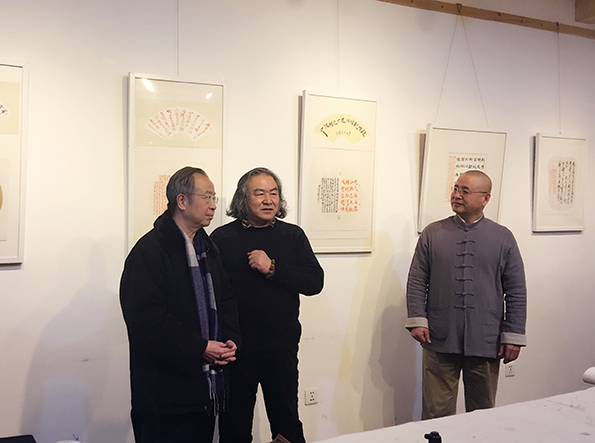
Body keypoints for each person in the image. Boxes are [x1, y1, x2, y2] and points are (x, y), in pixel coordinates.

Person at [120, 167, 241, 443]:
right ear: (182, 201)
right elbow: (147, 322)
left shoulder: (208, 249)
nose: (213, 205)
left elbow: (226, 299)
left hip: (203, 392)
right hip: (164, 394)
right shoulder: (149, 251)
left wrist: (230, 341)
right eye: (207, 197)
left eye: (214, 198)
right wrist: (200, 348)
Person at [211, 167, 324, 443]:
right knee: (234, 427)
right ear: (243, 198)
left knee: (287, 424)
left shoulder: (293, 236)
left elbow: (314, 281)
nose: (268, 200)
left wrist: (273, 267)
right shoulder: (222, 239)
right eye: (259, 193)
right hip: (237, 349)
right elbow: (211, 295)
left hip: (281, 347)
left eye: (273, 193)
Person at [406, 170, 527, 420]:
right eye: (455, 189)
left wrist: (513, 335)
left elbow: (516, 290)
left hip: (486, 338)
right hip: (440, 335)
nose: (457, 195)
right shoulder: (433, 233)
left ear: (485, 198)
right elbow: (417, 279)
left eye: (465, 191)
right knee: (436, 412)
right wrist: (417, 319)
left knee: (482, 413)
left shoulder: (503, 237)